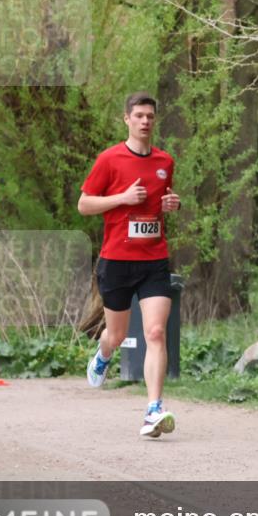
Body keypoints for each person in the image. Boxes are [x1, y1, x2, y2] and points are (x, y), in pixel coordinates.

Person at [78, 92, 181, 438]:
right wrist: (121, 199)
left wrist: (171, 205)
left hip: (154, 260)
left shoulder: (165, 160)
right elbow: (84, 204)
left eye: (150, 116)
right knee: (118, 335)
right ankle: (103, 353)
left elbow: (162, 201)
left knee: (155, 332)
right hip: (117, 260)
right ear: (127, 119)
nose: (145, 121)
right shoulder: (109, 159)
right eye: (139, 115)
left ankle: (154, 408)